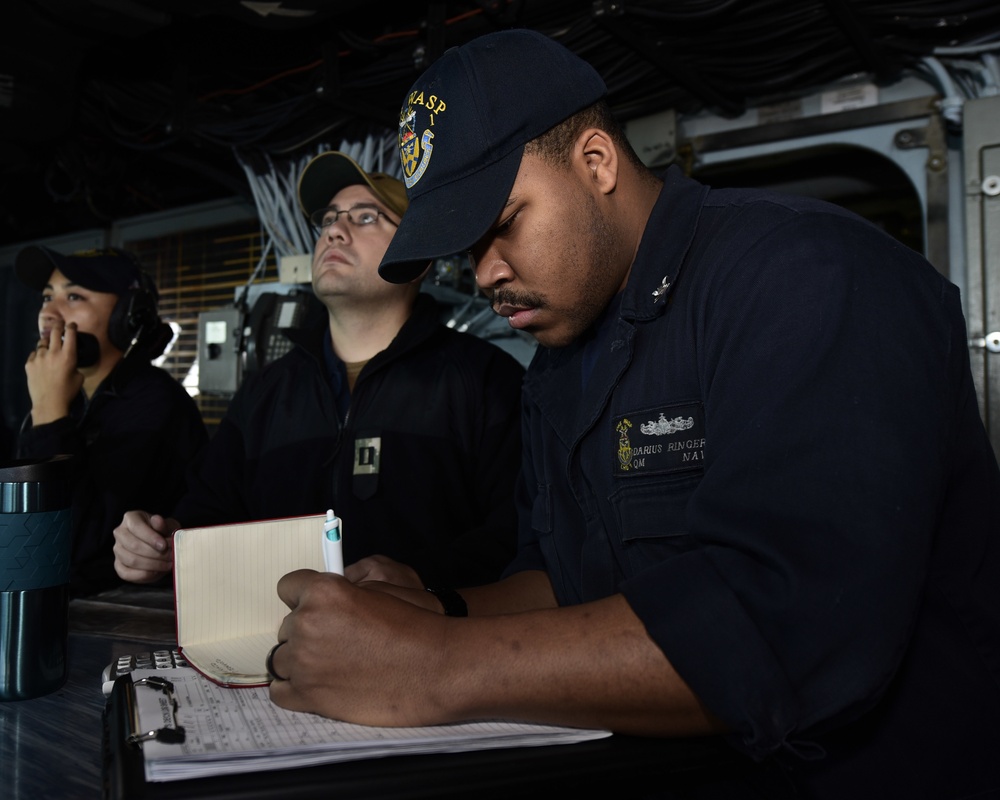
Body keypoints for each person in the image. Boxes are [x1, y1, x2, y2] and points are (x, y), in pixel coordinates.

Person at [266, 30, 1000, 799]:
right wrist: (436, 611)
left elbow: (782, 634)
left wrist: (434, 665)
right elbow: (563, 577)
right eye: (466, 249)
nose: (486, 273)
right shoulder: (562, 355)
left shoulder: (803, 278)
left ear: (596, 162)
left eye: (504, 222)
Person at [113, 151, 524, 591]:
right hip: (276, 649)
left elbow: (520, 535)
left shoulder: (485, 380)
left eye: (366, 217)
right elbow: (205, 520)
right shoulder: (266, 392)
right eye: (328, 218)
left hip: (428, 649)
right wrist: (160, 544)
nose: (334, 230)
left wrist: (424, 577)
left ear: (420, 258)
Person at [14, 246, 208, 596]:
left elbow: (76, 546)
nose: (48, 313)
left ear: (127, 316)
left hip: (111, 614)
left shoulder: (155, 403)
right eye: (47, 297)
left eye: (73, 296)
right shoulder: (67, 396)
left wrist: (50, 417)